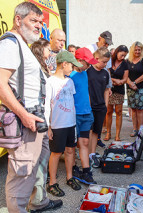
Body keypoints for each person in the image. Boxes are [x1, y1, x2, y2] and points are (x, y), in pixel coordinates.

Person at [0, 2, 62, 212]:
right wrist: (24, 115)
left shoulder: (23, 44)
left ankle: (38, 201)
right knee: (22, 172)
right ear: (18, 20)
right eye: (33, 21)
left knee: (37, 164)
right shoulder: (9, 44)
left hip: (36, 120)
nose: (39, 26)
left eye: (40, 22)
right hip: (26, 122)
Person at [46, 51, 83, 197]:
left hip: (70, 123)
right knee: (56, 153)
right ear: (64, 64)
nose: (73, 69)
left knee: (70, 150)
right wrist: (48, 126)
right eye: (72, 66)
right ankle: (52, 183)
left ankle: (69, 177)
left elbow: (71, 100)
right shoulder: (50, 82)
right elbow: (46, 105)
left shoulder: (70, 81)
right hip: (57, 124)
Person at [69, 47, 98, 184]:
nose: (90, 65)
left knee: (85, 142)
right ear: (79, 61)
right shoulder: (70, 76)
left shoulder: (85, 74)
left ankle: (86, 171)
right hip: (75, 115)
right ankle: (74, 167)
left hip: (87, 114)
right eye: (88, 63)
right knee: (73, 145)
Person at [87, 47, 112, 168]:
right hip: (88, 107)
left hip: (100, 107)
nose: (105, 64)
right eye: (104, 62)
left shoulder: (105, 73)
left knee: (96, 132)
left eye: (107, 62)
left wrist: (105, 105)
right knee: (88, 131)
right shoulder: (87, 71)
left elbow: (107, 90)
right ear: (96, 59)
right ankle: (85, 155)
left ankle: (92, 154)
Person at [126, 41, 143, 137]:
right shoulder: (128, 60)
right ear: (132, 50)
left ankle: (141, 130)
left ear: (141, 50)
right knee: (133, 109)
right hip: (130, 88)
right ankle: (134, 129)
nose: (137, 51)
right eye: (135, 49)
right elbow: (125, 74)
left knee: (140, 109)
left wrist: (135, 82)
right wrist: (130, 83)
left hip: (141, 88)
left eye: (139, 50)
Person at [104, 45, 129, 141]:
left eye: (125, 56)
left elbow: (125, 79)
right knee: (109, 111)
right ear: (117, 52)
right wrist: (114, 80)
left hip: (119, 90)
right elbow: (106, 74)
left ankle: (117, 135)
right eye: (122, 55)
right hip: (109, 89)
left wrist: (120, 81)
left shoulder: (125, 64)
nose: (123, 57)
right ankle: (108, 133)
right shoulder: (110, 61)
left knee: (119, 112)